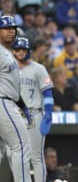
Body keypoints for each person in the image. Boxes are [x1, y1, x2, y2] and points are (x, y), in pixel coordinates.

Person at [11, 37, 54, 182]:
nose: (21, 52)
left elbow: (48, 93)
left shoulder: (39, 68)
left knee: (36, 156)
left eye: (24, 49)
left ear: (28, 51)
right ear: (13, 51)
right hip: (14, 115)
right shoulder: (7, 69)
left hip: (34, 115)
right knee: (16, 155)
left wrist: (48, 114)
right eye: (18, 49)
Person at [0, 16, 32, 182]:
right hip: (2, 103)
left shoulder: (8, 53)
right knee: (21, 145)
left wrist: (24, 107)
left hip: (9, 101)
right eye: (6, 28)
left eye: (13, 27)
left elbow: (11, 86)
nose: (11, 30)